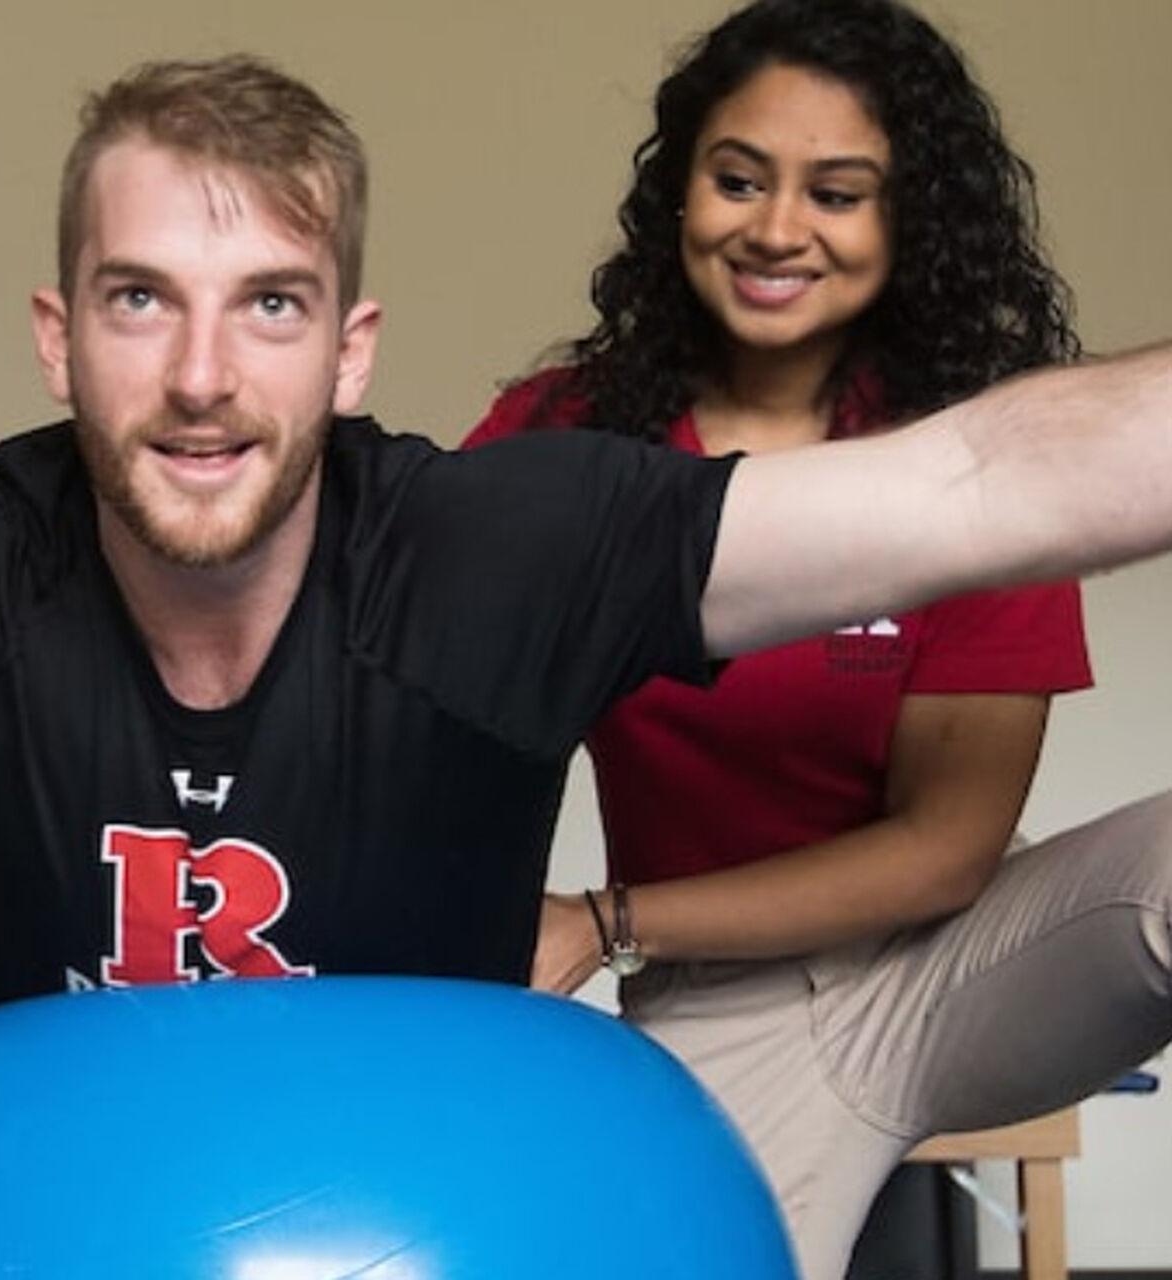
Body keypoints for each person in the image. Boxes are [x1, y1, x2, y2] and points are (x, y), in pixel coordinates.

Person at [0, 49, 1172, 1132]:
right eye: (139, 300)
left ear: (350, 353)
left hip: (445, 1205)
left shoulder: (489, 554)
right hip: (62, 1206)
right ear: (58, 338)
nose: (201, 374)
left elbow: (979, 480)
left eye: (271, 304)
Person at [463, 2, 1168, 1278]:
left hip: (951, 966)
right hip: (711, 1006)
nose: (775, 229)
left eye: (835, 194)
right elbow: (425, 696)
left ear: (905, 222)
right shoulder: (558, 437)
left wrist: (605, 918)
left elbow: (944, 846)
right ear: (680, 193)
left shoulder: (970, 466)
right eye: (738, 179)